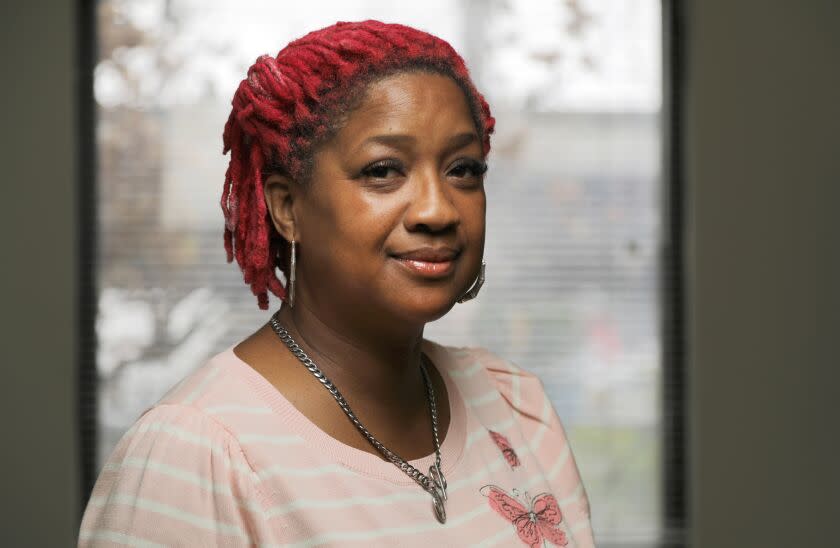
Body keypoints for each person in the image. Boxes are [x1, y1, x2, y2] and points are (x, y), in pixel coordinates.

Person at [79, 20, 594, 547]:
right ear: (287, 208)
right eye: (383, 171)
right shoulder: (200, 455)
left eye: (463, 169)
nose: (438, 210)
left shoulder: (515, 407)